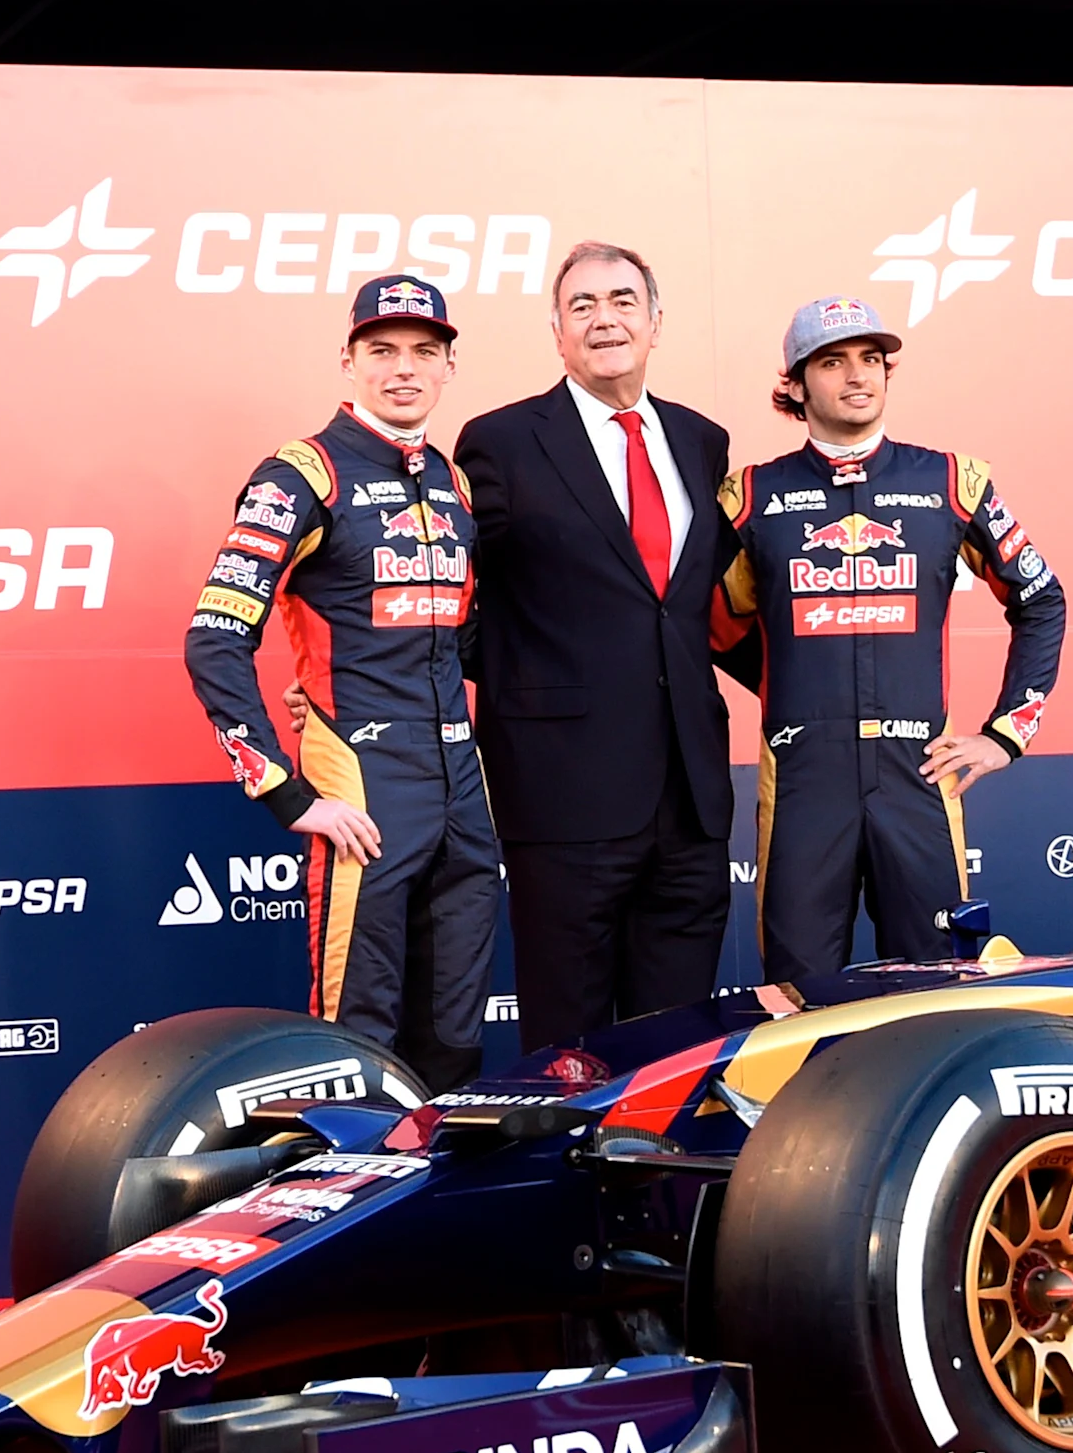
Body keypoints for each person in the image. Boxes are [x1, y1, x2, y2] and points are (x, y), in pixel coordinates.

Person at [183, 275, 497, 1093]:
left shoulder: (456, 485)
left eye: (424, 352)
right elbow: (215, 637)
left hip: (463, 790)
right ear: (348, 361)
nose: (404, 369)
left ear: (449, 367)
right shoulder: (302, 474)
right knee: (356, 1041)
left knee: (456, 1038)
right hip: (362, 786)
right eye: (382, 351)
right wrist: (287, 793)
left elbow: (466, 644)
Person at [719, 294, 1066, 979]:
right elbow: (709, 627)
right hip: (802, 780)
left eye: (872, 359)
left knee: (938, 984)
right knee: (797, 993)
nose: (858, 376)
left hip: (917, 774)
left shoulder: (953, 482)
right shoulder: (750, 495)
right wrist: (793, 680)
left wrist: (1005, 734)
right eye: (833, 361)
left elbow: (1041, 599)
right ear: (793, 383)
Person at [455, 242, 745, 1045]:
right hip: (563, 797)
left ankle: (663, 1178)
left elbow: (697, 607)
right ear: (556, 334)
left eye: (622, 300)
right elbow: (456, 602)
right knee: (567, 1052)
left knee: (679, 1048)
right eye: (581, 306)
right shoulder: (501, 443)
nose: (604, 318)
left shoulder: (700, 441)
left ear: (655, 322)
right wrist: (531, 687)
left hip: (690, 800)